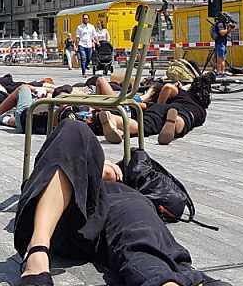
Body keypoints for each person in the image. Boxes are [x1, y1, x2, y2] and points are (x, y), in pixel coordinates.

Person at [14, 118, 228, 286]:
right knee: (72, 129)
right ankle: (37, 252)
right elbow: (62, 156)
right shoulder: (69, 149)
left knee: (137, 225)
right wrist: (95, 169)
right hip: (60, 217)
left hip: (111, 211)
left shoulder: (127, 192)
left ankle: (167, 281)